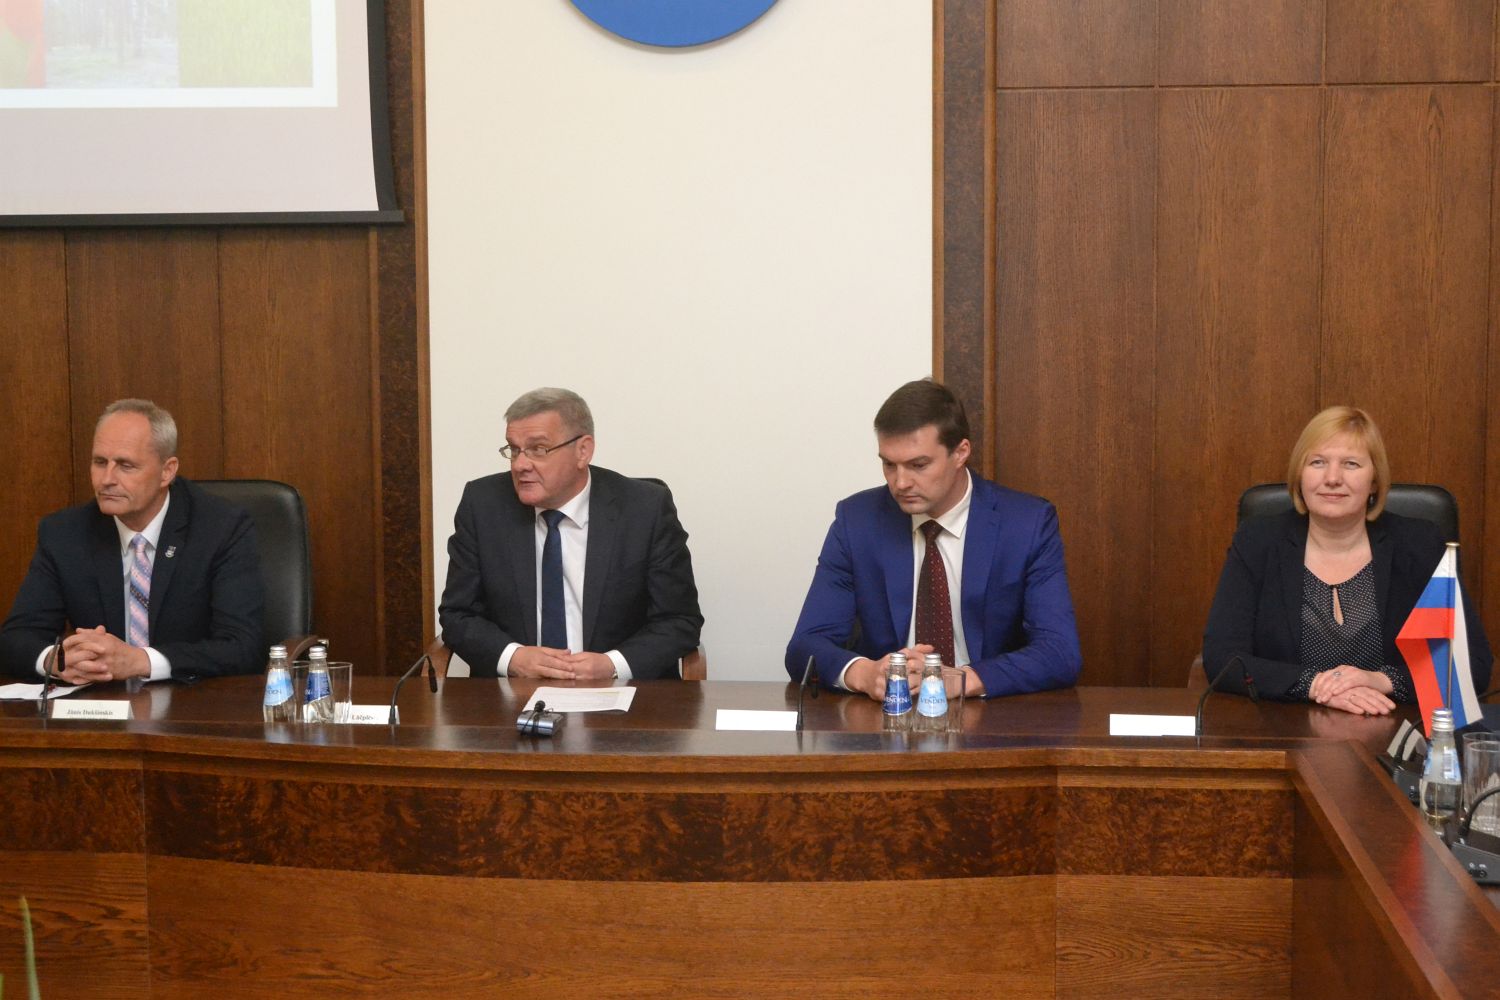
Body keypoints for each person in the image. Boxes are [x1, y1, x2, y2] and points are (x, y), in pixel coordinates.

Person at [785, 379, 1081, 699]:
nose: (900, 482)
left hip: (987, 713)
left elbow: (1060, 652)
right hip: (888, 713)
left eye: (918, 465)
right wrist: (865, 674)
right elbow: (804, 646)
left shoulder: (1026, 523)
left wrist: (963, 679)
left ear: (960, 453)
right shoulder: (857, 521)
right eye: (889, 464)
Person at [1202, 406, 1493, 715]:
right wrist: (1315, 685)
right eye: (1317, 462)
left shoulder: (1419, 545)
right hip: (1283, 727)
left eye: (1351, 464)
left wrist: (1381, 681)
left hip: (1392, 727)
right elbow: (1222, 657)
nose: (1332, 478)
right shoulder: (1258, 542)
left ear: (1375, 481)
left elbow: (1471, 664)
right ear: (1299, 474)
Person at [439, 387, 703, 680]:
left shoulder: (645, 509)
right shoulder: (483, 505)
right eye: (514, 450)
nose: (520, 464)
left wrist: (612, 665)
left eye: (538, 449)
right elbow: (458, 614)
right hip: (515, 693)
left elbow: (679, 621)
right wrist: (513, 658)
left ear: (583, 451)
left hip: (621, 693)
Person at [0, 399, 265, 683]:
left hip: (192, 699)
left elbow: (243, 647)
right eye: (100, 462)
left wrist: (140, 661)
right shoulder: (65, 533)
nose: (106, 479)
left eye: (125, 465)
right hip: (100, 701)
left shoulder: (221, 528)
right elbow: (16, 638)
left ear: (167, 471)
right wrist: (56, 660)